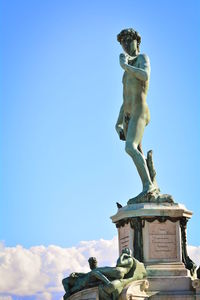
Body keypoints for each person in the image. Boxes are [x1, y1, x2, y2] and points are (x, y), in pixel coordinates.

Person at [116, 28, 157, 198]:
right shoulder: (127, 67)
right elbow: (126, 98)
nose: (125, 44)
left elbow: (145, 76)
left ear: (136, 41)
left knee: (130, 147)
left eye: (128, 40)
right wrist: (118, 122)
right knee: (137, 152)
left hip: (140, 110)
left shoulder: (141, 58)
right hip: (128, 115)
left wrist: (126, 66)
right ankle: (150, 184)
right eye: (122, 42)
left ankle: (149, 187)